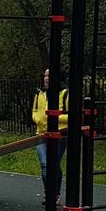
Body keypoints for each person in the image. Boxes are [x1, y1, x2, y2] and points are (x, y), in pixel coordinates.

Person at [31, 68, 69, 203]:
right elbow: (35, 110)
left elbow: (72, 115)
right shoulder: (39, 93)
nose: (46, 78)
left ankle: (55, 194)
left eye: (49, 76)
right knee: (44, 164)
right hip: (41, 134)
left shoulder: (65, 93)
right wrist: (37, 119)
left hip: (60, 134)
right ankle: (49, 194)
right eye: (45, 76)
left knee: (54, 164)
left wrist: (54, 117)